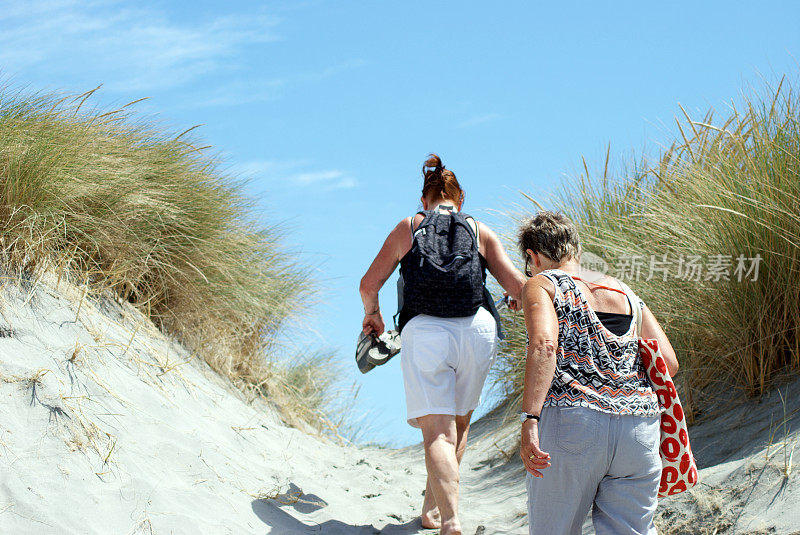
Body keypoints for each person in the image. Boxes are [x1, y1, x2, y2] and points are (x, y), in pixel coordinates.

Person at [359, 154, 525, 535]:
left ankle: (451, 521)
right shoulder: (480, 231)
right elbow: (516, 287)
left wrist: (374, 315)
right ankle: (431, 511)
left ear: (424, 200)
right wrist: (515, 298)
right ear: (460, 199)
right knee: (460, 423)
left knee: (437, 432)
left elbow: (369, 284)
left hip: (426, 333)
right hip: (478, 329)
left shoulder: (409, 226)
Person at [517, 211, 679, 535]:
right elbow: (669, 363)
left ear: (533, 256)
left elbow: (545, 346)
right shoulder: (627, 293)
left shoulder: (542, 284)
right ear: (575, 249)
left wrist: (530, 419)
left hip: (573, 423)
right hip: (639, 429)